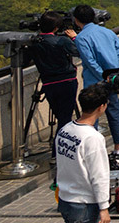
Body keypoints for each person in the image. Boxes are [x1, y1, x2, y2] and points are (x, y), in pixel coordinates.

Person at [53, 84, 113, 223]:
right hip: (84, 205)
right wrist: (104, 208)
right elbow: (99, 175)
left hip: (66, 199)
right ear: (101, 107)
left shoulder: (65, 130)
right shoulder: (93, 138)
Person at [29, 12, 82, 177]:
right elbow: (79, 52)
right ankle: (59, 153)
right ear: (57, 27)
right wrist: (74, 38)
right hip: (66, 82)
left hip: (49, 84)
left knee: (61, 117)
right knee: (65, 119)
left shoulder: (35, 42)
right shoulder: (61, 40)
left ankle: (59, 151)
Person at [72, 4, 119, 162]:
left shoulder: (81, 37)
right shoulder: (107, 31)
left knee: (91, 116)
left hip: (94, 83)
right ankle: (117, 150)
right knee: (114, 114)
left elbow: (89, 61)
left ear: (76, 20)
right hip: (113, 80)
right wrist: (115, 70)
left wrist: (103, 75)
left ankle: (94, 152)